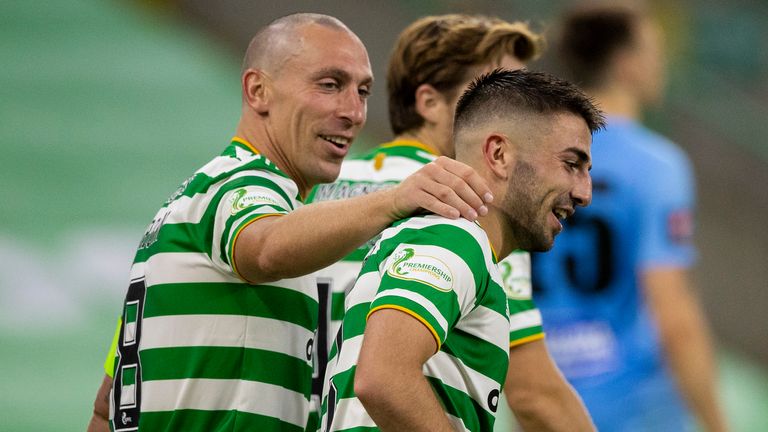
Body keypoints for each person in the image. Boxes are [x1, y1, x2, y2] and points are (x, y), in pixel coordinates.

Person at [85, 13, 495, 432]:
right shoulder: (238, 183)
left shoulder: (190, 205)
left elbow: (106, 406)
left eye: (364, 91)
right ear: (258, 90)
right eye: (330, 85)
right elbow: (264, 247)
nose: (354, 111)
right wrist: (395, 199)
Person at [306, 14, 594, 431]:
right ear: (429, 102)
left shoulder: (317, 195)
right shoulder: (471, 208)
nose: (519, 101)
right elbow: (533, 393)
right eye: (496, 83)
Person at [531, 5, 729, 431]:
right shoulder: (655, 165)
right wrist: (716, 422)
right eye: (653, 49)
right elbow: (672, 312)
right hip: (637, 412)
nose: (662, 61)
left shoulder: (531, 159)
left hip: (547, 402)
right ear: (626, 63)